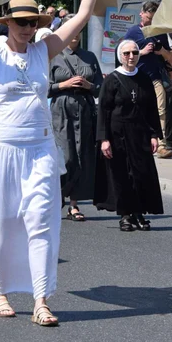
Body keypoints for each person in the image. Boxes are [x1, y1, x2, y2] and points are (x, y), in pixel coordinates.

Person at [0, 0, 104, 327]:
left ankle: (41, 300)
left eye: (32, 23)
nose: (27, 28)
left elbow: (84, 13)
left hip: (40, 149)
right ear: (7, 23)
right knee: (2, 222)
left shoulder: (45, 50)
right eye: (20, 22)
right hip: (2, 150)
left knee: (42, 219)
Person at [95, 39, 164, 231]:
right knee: (122, 176)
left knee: (141, 175)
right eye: (127, 53)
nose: (131, 56)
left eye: (135, 52)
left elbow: (151, 109)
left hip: (140, 134)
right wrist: (104, 139)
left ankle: (139, 214)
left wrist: (153, 134)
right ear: (120, 56)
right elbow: (104, 111)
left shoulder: (144, 79)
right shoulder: (112, 79)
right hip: (118, 135)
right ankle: (125, 215)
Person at [50, 33, 102, 221]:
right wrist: (64, 84)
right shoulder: (53, 56)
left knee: (81, 156)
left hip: (85, 109)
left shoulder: (89, 56)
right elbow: (44, 88)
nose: (75, 35)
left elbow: (100, 87)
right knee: (66, 157)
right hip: (61, 110)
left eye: (79, 31)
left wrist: (88, 85)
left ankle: (74, 204)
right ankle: (57, 197)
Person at [124, 1, 172, 158]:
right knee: (137, 110)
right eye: (148, 18)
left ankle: (161, 144)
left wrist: (162, 52)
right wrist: (141, 52)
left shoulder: (159, 32)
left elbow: (170, 55)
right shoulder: (133, 32)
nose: (150, 21)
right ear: (141, 14)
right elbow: (122, 53)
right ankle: (138, 143)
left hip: (155, 77)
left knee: (160, 109)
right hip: (137, 79)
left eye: (153, 19)